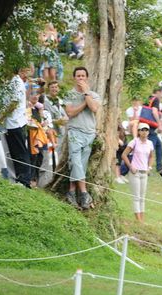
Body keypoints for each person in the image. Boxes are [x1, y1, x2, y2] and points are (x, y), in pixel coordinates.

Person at [64, 66, 101, 210]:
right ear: (74, 78)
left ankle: (72, 192)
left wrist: (86, 94)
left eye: (83, 76)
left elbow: (94, 108)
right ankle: (85, 193)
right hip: (74, 132)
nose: (80, 78)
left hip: (89, 133)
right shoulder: (69, 94)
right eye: (78, 76)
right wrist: (84, 102)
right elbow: (70, 113)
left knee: (81, 164)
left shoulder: (94, 95)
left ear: (87, 78)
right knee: (76, 161)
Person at [0, 66, 32, 188]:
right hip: (10, 124)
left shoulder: (17, 82)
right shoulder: (9, 82)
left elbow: (13, 103)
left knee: (20, 152)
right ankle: (18, 178)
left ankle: (24, 180)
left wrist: (0, 117)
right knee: (14, 153)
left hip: (16, 122)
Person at [122, 123, 155, 222]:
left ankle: (142, 220)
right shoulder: (134, 142)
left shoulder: (150, 143)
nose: (144, 132)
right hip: (135, 172)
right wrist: (130, 166)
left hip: (144, 172)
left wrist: (149, 167)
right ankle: (138, 220)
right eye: (142, 130)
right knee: (136, 197)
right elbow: (124, 155)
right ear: (139, 131)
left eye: (146, 130)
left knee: (142, 197)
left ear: (148, 132)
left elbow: (151, 156)